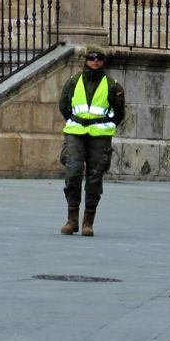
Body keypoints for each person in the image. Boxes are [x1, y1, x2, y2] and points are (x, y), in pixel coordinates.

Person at [58, 46, 125, 237]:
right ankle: (72, 220)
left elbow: (120, 112)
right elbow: (64, 105)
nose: (95, 61)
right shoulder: (73, 82)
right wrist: (75, 120)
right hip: (76, 133)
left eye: (99, 58)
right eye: (91, 57)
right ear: (85, 59)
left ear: (103, 60)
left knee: (95, 177)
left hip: (99, 135)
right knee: (73, 172)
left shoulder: (113, 85)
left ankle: (88, 221)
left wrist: (105, 123)